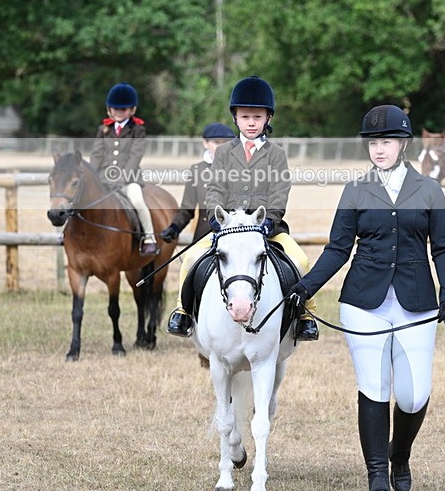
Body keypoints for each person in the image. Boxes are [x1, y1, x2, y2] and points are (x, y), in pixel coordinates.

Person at [287, 105, 445, 491]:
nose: (379, 149)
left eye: (387, 142)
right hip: (364, 301)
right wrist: (304, 287)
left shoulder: (429, 190)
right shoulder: (356, 190)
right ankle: (377, 477)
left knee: (414, 395)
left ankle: (400, 454)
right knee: (374, 388)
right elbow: (338, 249)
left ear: (403, 144)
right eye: (373, 143)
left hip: (417, 302)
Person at [166, 76, 319, 341]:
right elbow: (214, 188)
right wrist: (216, 216)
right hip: (228, 229)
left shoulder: (277, 154)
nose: (251, 122)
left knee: (301, 260)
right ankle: (183, 312)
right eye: (245, 116)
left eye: (257, 117)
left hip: (268, 229)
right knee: (190, 259)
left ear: (267, 119)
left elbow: (280, 192)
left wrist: (270, 219)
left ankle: (306, 315)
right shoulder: (224, 152)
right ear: (235, 118)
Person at [89, 82, 159, 256]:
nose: (119, 112)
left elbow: (135, 156)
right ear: (109, 110)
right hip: (103, 178)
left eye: (123, 109)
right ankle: (67, 233)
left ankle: (149, 238)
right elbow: (97, 154)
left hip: (129, 180)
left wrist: (122, 178)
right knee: (81, 196)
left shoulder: (137, 129)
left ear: (132, 110)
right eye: (115, 109)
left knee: (137, 201)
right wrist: (91, 175)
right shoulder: (103, 129)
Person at [159, 122, 236, 245]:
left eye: (225, 143)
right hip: (204, 237)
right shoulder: (196, 170)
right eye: (216, 142)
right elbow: (187, 210)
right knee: (188, 264)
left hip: (235, 237)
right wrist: (174, 228)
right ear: (205, 143)